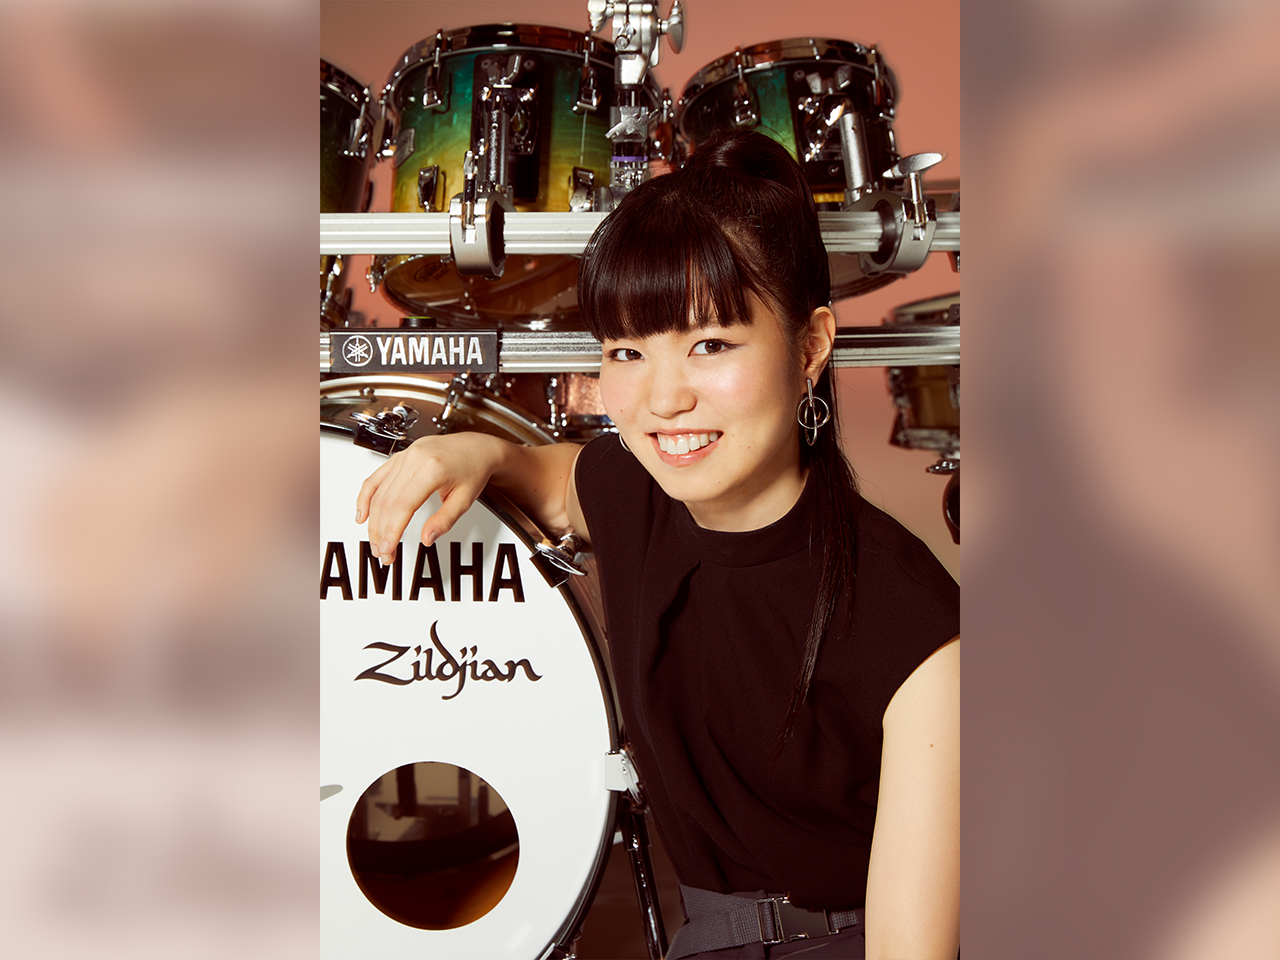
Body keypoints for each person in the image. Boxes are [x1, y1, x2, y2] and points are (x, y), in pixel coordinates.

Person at [356, 131, 959, 959]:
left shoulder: (917, 626)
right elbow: (557, 479)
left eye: (710, 345)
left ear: (811, 347)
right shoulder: (637, 493)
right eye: (627, 351)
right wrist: (477, 450)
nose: (663, 398)